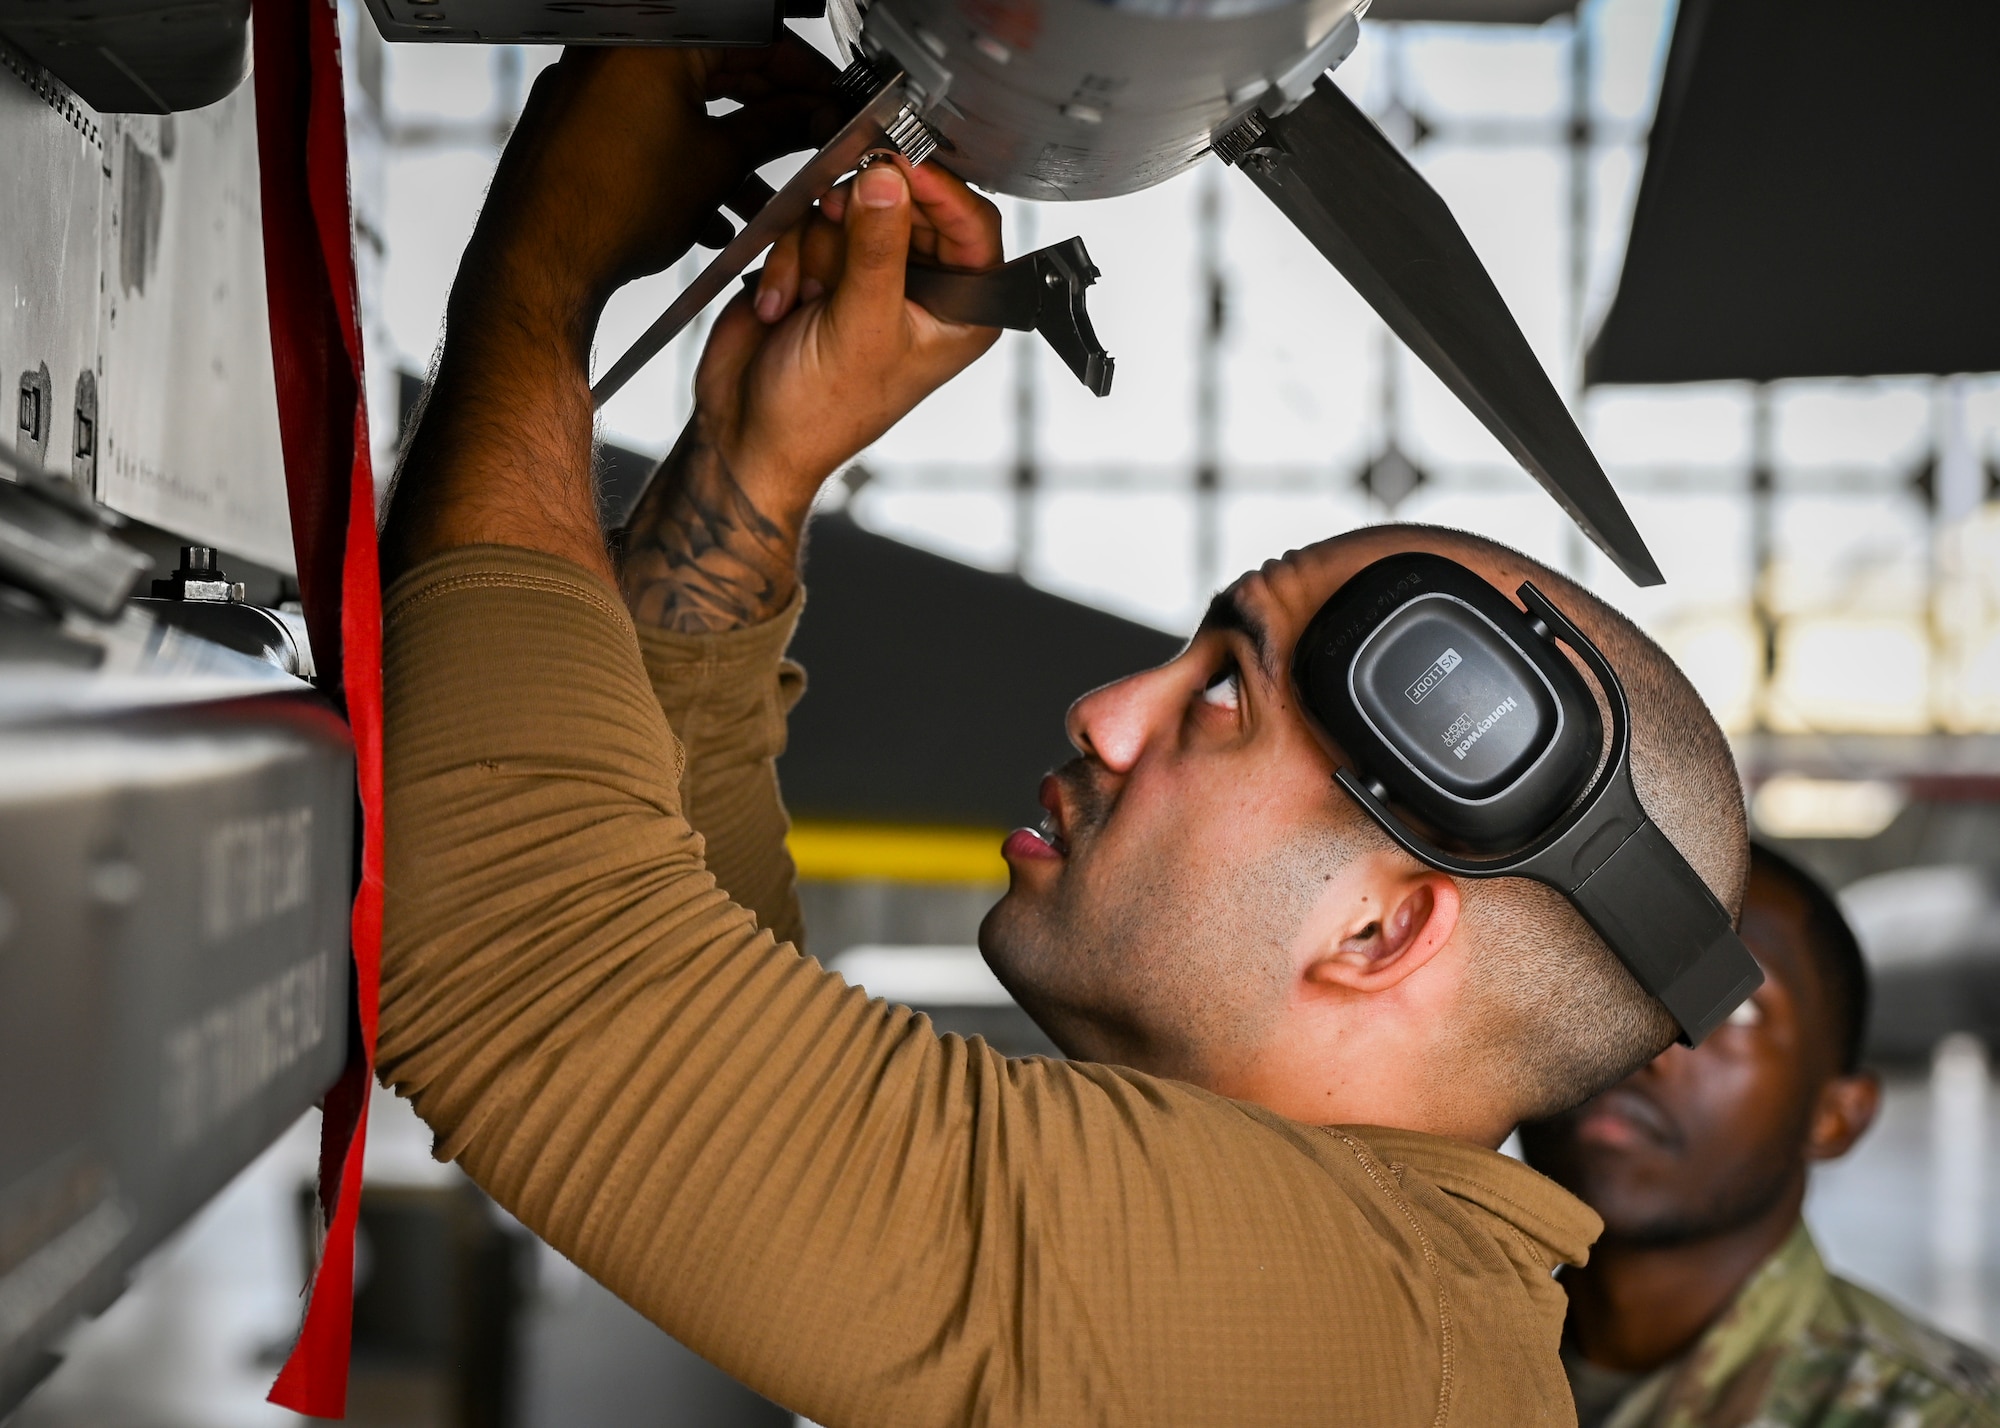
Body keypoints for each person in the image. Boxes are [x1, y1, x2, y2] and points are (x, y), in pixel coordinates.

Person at [376, 42, 1751, 1424]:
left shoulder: (1329, 1319)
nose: (1105, 711)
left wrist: (551, 250)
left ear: (1378, 935)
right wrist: (752, 472)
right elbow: (691, 1054)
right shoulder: (1374, 1305)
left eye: (1223, 696)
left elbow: (526, 957)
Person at [1521, 845, 2000, 1427]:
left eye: (1736, 1011)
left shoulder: (1936, 1416)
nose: (1646, 1041)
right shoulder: (1423, 1365)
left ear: (1835, 1117)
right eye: (1613, 978)